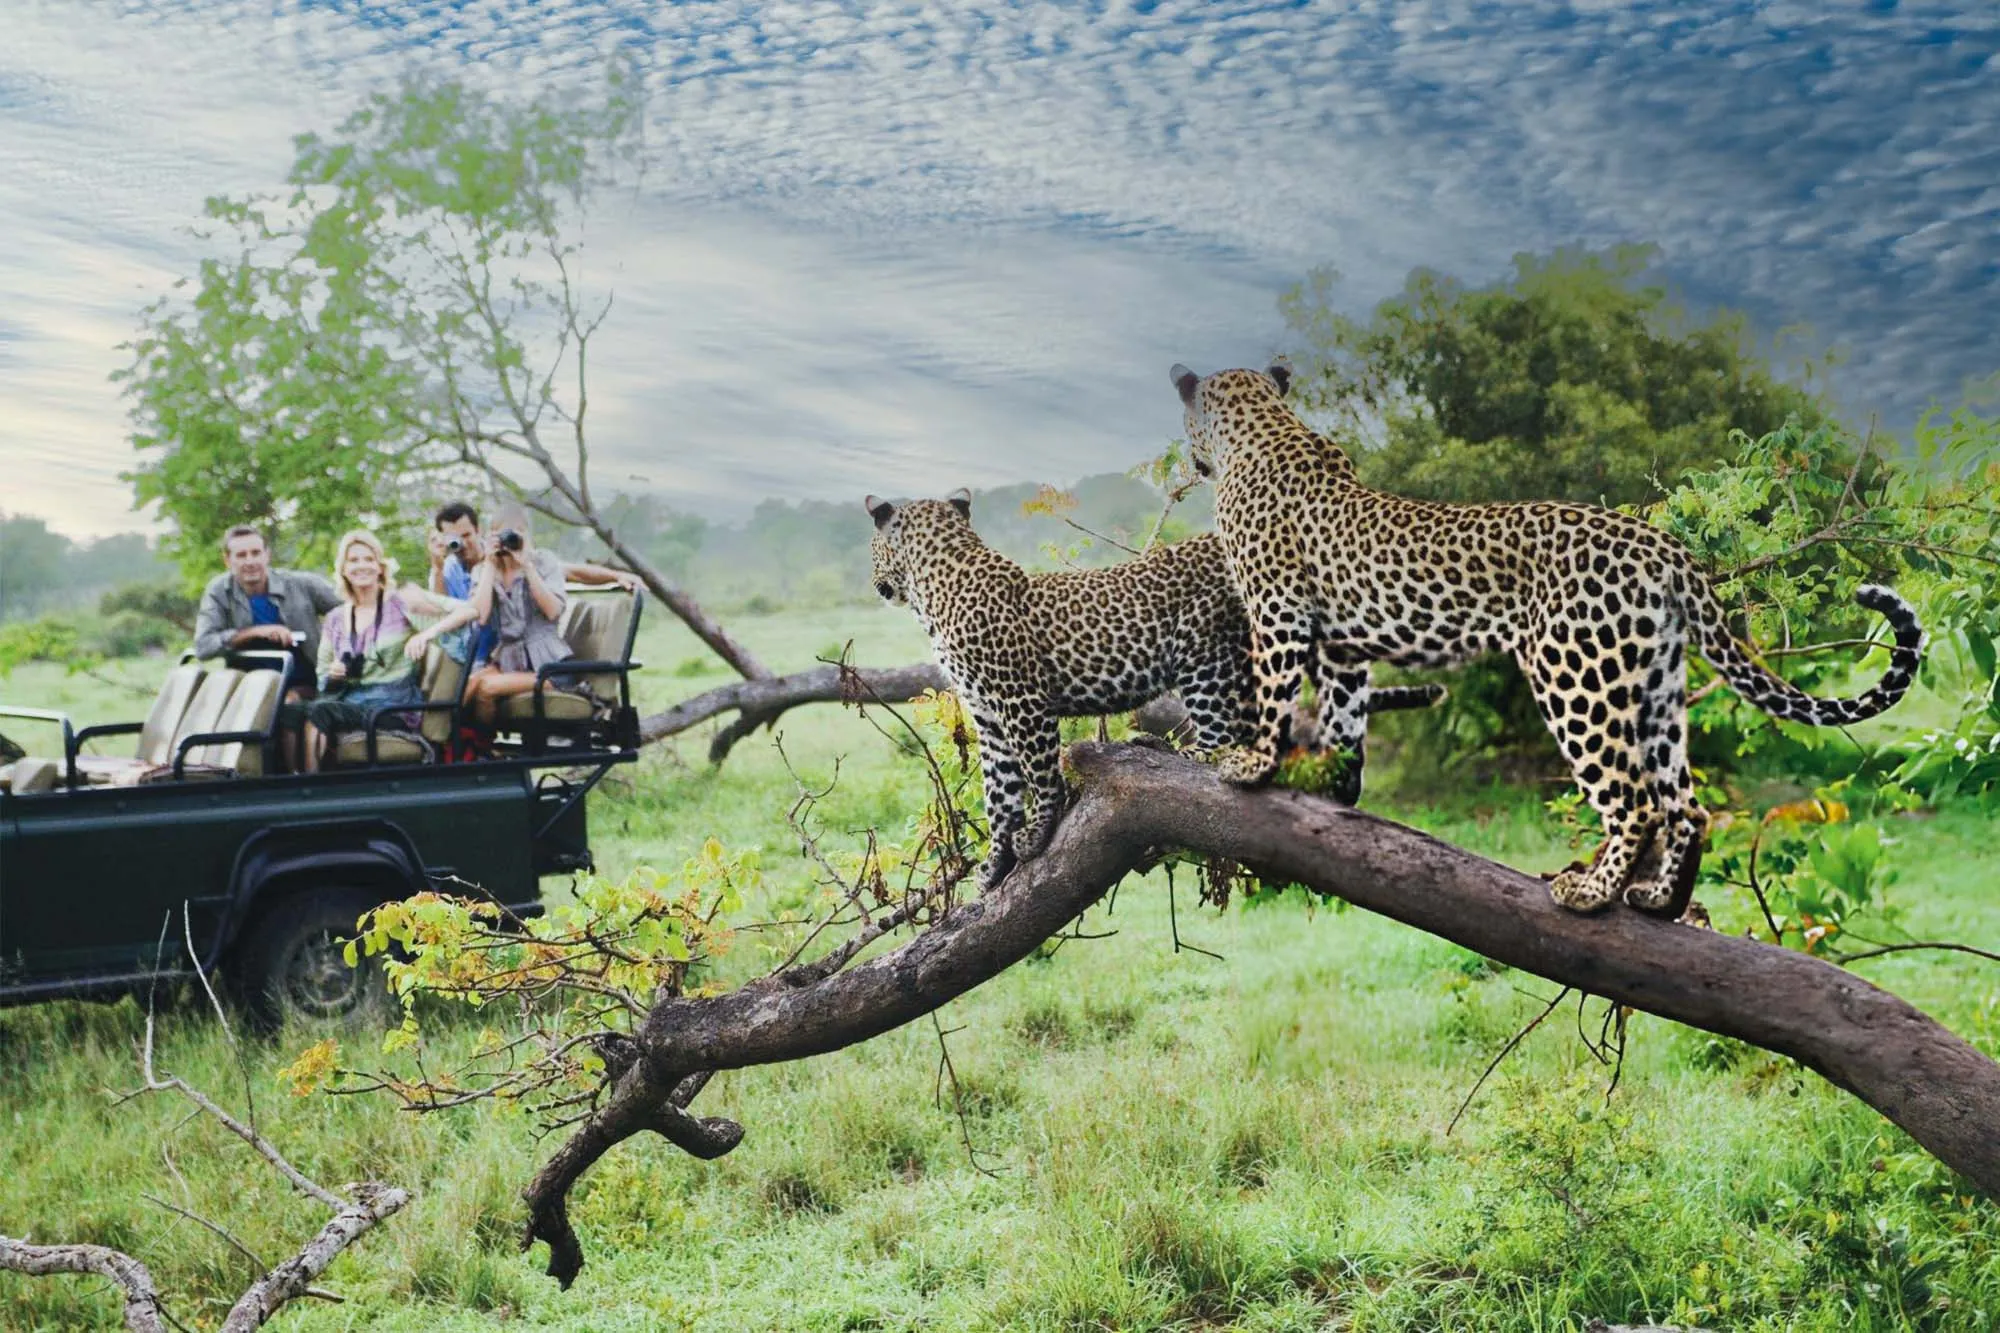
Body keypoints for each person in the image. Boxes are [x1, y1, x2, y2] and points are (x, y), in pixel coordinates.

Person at [283, 529, 478, 774]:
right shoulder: (335, 619)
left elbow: (469, 611)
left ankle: (311, 789)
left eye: (369, 559)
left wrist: (426, 634)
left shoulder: (399, 604)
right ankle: (292, 781)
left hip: (391, 707)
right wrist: (335, 675)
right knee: (290, 713)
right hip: (350, 701)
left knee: (320, 712)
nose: (361, 566)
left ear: (380, 566)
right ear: (343, 569)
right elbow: (324, 681)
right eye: (353, 560)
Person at [193, 526, 342, 699]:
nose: (250, 562)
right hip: (248, 687)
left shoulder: (301, 584)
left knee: (285, 704)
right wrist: (254, 633)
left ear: (267, 555)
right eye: (241, 555)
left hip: (306, 683)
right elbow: (203, 647)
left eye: (256, 553)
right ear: (227, 560)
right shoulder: (219, 591)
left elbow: (352, 609)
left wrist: (335, 646)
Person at [462, 524, 573, 730]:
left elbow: (553, 611)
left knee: (487, 687)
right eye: (499, 536)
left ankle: (481, 748)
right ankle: (447, 745)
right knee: (468, 685)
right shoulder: (485, 569)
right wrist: (489, 564)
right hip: (509, 664)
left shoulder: (543, 562)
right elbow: (481, 617)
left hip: (549, 668)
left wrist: (527, 566)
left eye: (512, 534)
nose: (506, 542)